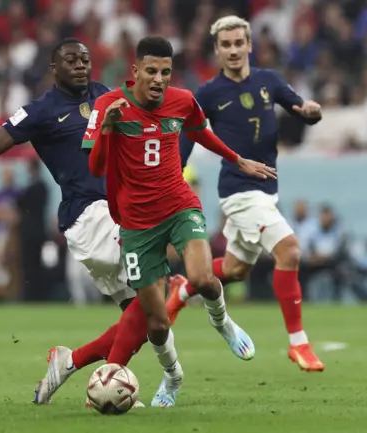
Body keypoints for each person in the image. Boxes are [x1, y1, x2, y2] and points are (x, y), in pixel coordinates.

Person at [0, 38, 180, 408]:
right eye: (70, 60)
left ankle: (70, 362)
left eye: (85, 60)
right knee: (158, 286)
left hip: (120, 212)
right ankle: (135, 377)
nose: (80, 65)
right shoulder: (41, 111)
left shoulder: (107, 95)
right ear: (53, 69)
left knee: (143, 322)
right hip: (90, 217)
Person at [84, 36, 276, 407]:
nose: (159, 79)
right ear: (135, 70)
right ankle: (173, 377)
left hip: (179, 207)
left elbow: (200, 131)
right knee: (156, 324)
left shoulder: (183, 100)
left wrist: (237, 159)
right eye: (152, 71)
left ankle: (223, 323)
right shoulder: (108, 106)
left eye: (166, 72)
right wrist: (107, 131)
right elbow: (95, 168)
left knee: (203, 278)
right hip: (136, 225)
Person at [173, 15, 325, 372]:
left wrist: (311, 112)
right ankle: (299, 344)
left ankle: (182, 289)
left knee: (235, 269)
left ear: (250, 45)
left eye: (239, 43)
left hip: (267, 188)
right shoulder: (208, 94)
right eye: (226, 45)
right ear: (217, 50)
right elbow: (186, 133)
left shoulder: (268, 81)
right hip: (239, 191)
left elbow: (300, 110)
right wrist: (175, 172)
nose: (234, 50)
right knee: (289, 250)